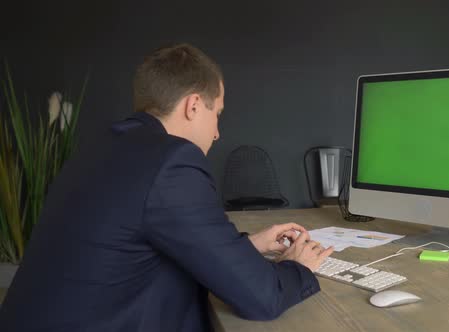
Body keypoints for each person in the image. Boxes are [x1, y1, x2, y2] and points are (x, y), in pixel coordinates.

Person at [0, 43, 334, 332]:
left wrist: (247, 246)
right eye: (216, 113)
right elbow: (262, 298)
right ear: (192, 106)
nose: (217, 132)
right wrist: (297, 266)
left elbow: (151, 244)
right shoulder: (172, 161)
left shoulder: (103, 146)